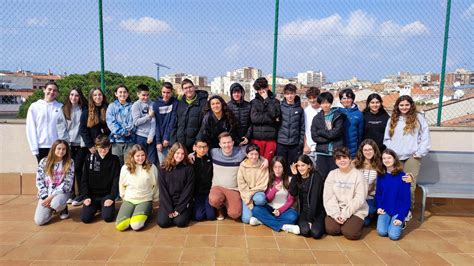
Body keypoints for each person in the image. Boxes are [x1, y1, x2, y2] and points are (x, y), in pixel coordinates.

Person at [384, 95, 430, 214]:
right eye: (401, 105)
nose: (404, 107)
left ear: (411, 105)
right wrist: (392, 152)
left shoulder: (419, 118)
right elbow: (387, 138)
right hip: (395, 157)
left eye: (407, 105)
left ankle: (407, 210)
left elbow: (425, 137)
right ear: (397, 106)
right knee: (394, 182)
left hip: (412, 157)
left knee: (409, 183)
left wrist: (420, 152)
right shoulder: (393, 119)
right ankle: (393, 208)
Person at [208, 132, 268, 220]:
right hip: (218, 187)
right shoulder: (214, 152)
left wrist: (264, 159)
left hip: (234, 189)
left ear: (233, 142)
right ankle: (219, 209)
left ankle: (227, 204)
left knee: (235, 214)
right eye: (224, 143)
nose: (227, 145)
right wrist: (192, 154)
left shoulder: (240, 152)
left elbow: (253, 152)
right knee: (214, 199)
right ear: (220, 144)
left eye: (229, 142)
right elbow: (201, 152)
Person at [323, 147, 368, 240]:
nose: (342, 161)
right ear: (335, 161)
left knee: (350, 233)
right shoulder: (332, 174)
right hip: (337, 208)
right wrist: (335, 214)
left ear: (350, 159)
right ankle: (345, 224)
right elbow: (329, 196)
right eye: (339, 158)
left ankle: (355, 224)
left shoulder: (358, 175)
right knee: (331, 229)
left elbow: (359, 199)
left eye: (344, 158)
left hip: (355, 210)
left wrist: (344, 215)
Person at [57, 87, 88, 205]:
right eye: (71, 95)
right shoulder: (64, 109)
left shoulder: (83, 109)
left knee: (79, 168)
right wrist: (65, 143)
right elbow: (61, 128)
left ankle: (80, 195)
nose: (73, 97)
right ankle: (71, 193)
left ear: (80, 97)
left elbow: (85, 127)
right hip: (68, 145)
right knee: (69, 169)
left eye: (76, 95)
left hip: (80, 145)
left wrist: (83, 143)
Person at [116, 144, 159, 231]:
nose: (140, 158)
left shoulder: (151, 167)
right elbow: (121, 184)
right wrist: (123, 196)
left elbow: (156, 185)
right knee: (121, 225)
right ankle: (132, 212)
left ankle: (148, 210)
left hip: (145, 199)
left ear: (145, 155)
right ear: (132, 156)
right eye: (137, 156)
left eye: (142, 155)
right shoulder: (125, 168)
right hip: (129, 199)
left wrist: (154, 199)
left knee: (136, 225)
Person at [251, 156, 298, 234]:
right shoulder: (268, 179)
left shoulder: (289, 180)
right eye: (275, 167)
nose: (277, 169)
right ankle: (283, 227)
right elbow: (267, 199)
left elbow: (290, 201)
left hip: (283, 210)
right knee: (256, 210)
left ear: (284, 168)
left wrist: (280, 210)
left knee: (293, 216)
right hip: (270, 208)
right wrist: (274, 190)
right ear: (272, 168)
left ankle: (263, 221)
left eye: (280, 167)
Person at [80, 134, 121, 223]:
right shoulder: (89, 158)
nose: (103, 150)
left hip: (107, 195)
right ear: (96, 147)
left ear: (109, 146)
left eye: (105, 148)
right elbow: (84, 179)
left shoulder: (114, 159)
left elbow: (116, 180)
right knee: (85, 219)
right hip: (92, 196)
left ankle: (105, 207)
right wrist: (86, 196)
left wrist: (111, 197)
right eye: (100, 148)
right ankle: (97, 207)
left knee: (108, 217)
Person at [34, 140, 74, 225]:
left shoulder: (69, 162)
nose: (61, 151)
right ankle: (51, 210)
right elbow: (39, 180)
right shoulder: (44, 162)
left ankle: (62, 208)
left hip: (61, 193)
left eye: (64, 149)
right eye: (58, 148)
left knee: (56, 203)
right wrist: (45, 197)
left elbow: (68, 183)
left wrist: (51, 197)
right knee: (39, 221)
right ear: (53, 149)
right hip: (46, 194)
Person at [157, 143, 195, 228]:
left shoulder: (188, 168)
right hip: (167, 202)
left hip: (182, 202)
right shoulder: (163, 168)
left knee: (180, 222)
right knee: (163, 223)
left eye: (182, 154)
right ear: (172, 153)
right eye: (177, 153)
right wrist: (169, 209)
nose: (180, 156)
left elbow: (188, 190)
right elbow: (163, 190)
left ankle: (186, 211)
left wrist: (179, 209)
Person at [376, 149, 411, 240]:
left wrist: (400, 217)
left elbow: (406, 200)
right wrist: (379, 207)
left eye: (389, 158)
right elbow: (378, 194)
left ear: (394, 159)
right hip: (385, 209)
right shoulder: (381, 176)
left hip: (398, 210)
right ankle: (388, 221)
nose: (386, 160)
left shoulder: (404, 177)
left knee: (393, 236)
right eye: (384, 158)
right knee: (381, 232)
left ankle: (402, 221)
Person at [289, 155, 326, 238]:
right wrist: (294, 175)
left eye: (303, 165)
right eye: (298, 166)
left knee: (315, 233)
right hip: (303, 211)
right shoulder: (297, 177)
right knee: (305, 231)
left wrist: (310, 220)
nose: (300, 168)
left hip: (317, 211)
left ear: (309, 165)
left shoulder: (316, 176)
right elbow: (292, 192)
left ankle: (322, 224)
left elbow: (314, 200)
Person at [26, 81, 63, 162]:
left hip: (56, 147)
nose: (51, 92)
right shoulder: (34, 106)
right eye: (49, 89)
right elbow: (31, 128)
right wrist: (34, 149)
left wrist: (62, 145)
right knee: (43, 172)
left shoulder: (60, 107)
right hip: (41, 147)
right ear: (44, 90)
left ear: (57, 93)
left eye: (54, 90)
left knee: (56, 172)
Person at [311, 92, 345, 179]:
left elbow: (335, 133)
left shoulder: (338, 116)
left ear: (331, 103)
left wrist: (321, 132)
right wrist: (330, 137)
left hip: (335, 152)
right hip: (321, 152)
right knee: (321, 178)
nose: (325, 105)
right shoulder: (317, 118)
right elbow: (314, 137)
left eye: (327, 103)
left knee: (335, 178)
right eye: (322, 103)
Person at [352, 139, 384, 226]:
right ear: (361, 151)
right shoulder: (355, 163)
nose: (368, 152)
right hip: (357, 196)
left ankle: (372, 214)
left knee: (366, 222)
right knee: (361, 221)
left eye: (370, 149)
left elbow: (394, 170)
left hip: (371, 197)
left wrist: (409, 176)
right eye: (365, 150)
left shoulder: (380, 164)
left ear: (374, 150)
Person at [250, 77, 281, 162]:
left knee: (268, 164)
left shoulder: (275, 102)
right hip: (256, 138)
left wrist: (267, 100)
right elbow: (254, 119)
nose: (261, 91)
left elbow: (275, 114)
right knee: (256, 163)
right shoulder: (253, 102)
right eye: (258, 89)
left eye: (263, 88)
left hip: (270, 139)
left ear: (267, 87)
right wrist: (270, 118)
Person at [237, 144, 269, 224]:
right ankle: (255, 212)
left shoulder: (263, 165)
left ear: (259, 155)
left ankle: (259, 211)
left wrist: (250, 194)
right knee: (246, 219)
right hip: (246, 193)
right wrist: (247, 196)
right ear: (247, 154)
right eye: (251, 154)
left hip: (257, 192)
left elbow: (263, 184)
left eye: (256, 154)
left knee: (260, 199)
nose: (254, 157)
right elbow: (241, 183)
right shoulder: (243, 166)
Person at [276, 83, 305, 168]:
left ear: (295, 94)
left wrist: (300, 143)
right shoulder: (280, 107)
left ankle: (292, 181)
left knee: (293, 167)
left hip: (294, 144)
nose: (290, 96)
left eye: (292, 93)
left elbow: (302, 127)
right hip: (281, 143)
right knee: (281, 166)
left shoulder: (300, 109)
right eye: (287, 94)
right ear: (284, 95)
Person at [176, 79, 209, 152]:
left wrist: (197, 142)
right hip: (180, 144)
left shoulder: (204, 103)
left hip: (195, 145)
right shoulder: (180, 103)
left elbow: (204, 125)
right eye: (185, 88)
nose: (188, 90)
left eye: (190, 87)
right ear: (183, 90)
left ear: (194, 87)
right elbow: (176, 123)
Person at [106, 84, 135, 166]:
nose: (122, 94)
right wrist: (123, 132)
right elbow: (111, 123)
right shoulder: (112, 106)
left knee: (129, 165)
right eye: (120, 92)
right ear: (116, 94)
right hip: (116, 141)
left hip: (130, 141)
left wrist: (128, 132)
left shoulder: (132, 107)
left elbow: (133, 122)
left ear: (128, 94)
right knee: (117, 165)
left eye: (125, 92)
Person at [79, 88, 110, 157]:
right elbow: (83, 130)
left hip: (107, 146)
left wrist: (104, 130)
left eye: (99, 94)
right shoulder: (86, 112)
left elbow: (111, 126)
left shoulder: (109, 109)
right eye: (95, 95)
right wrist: (90, 145)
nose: (98, 97)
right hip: (93, 147)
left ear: (103, 96)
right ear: (91, 97)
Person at [153, 82, 178, 166]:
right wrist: (158, 142)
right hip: (160, 139)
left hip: (171, 138)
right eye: (164, 92)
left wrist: (166, 137)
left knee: (173, 164)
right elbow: (156, 124)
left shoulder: (175, 102)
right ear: (161, 91)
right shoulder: (156, 104)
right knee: (163, 165)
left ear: (172, 92)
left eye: (168, 92)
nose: (166, 95)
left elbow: (172, 121)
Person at [191, 139, 215, 221]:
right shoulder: (191, 161)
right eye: (199, 147)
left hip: (208, 193)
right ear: (194, 147)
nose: (202, 150)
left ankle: (206, 207)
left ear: (207, 148)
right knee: (198, 217)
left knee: (211, 216)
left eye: (204, 147)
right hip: (196, 194)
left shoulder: (210, 160)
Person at [132, 84, 156, 165]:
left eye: (147, 95)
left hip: (151, 137)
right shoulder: (136, 105)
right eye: (143, 95)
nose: (146, 97)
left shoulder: (152, 104)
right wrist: (149, 116)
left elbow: (154, 122)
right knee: (140, 161)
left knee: (151, 161)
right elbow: (136, 122)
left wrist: (151, 136)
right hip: (140, 137)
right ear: (138, 94)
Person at [338, 88, 364, 158]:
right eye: (344, 98)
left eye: (349, 98)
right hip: (339, 148)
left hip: (353, 149)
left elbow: (360, 134)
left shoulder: (359, 114)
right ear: (340, 100)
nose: (346, 100)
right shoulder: (336, 112)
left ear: (352, 99)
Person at [303, 86, 321, 164]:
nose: (312, 100)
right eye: (310, 98)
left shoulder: (323, 110)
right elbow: (303, 129)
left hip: (321, 148)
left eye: (314, 97)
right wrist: (305, 144)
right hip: (309, 147)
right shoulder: (305, 111)